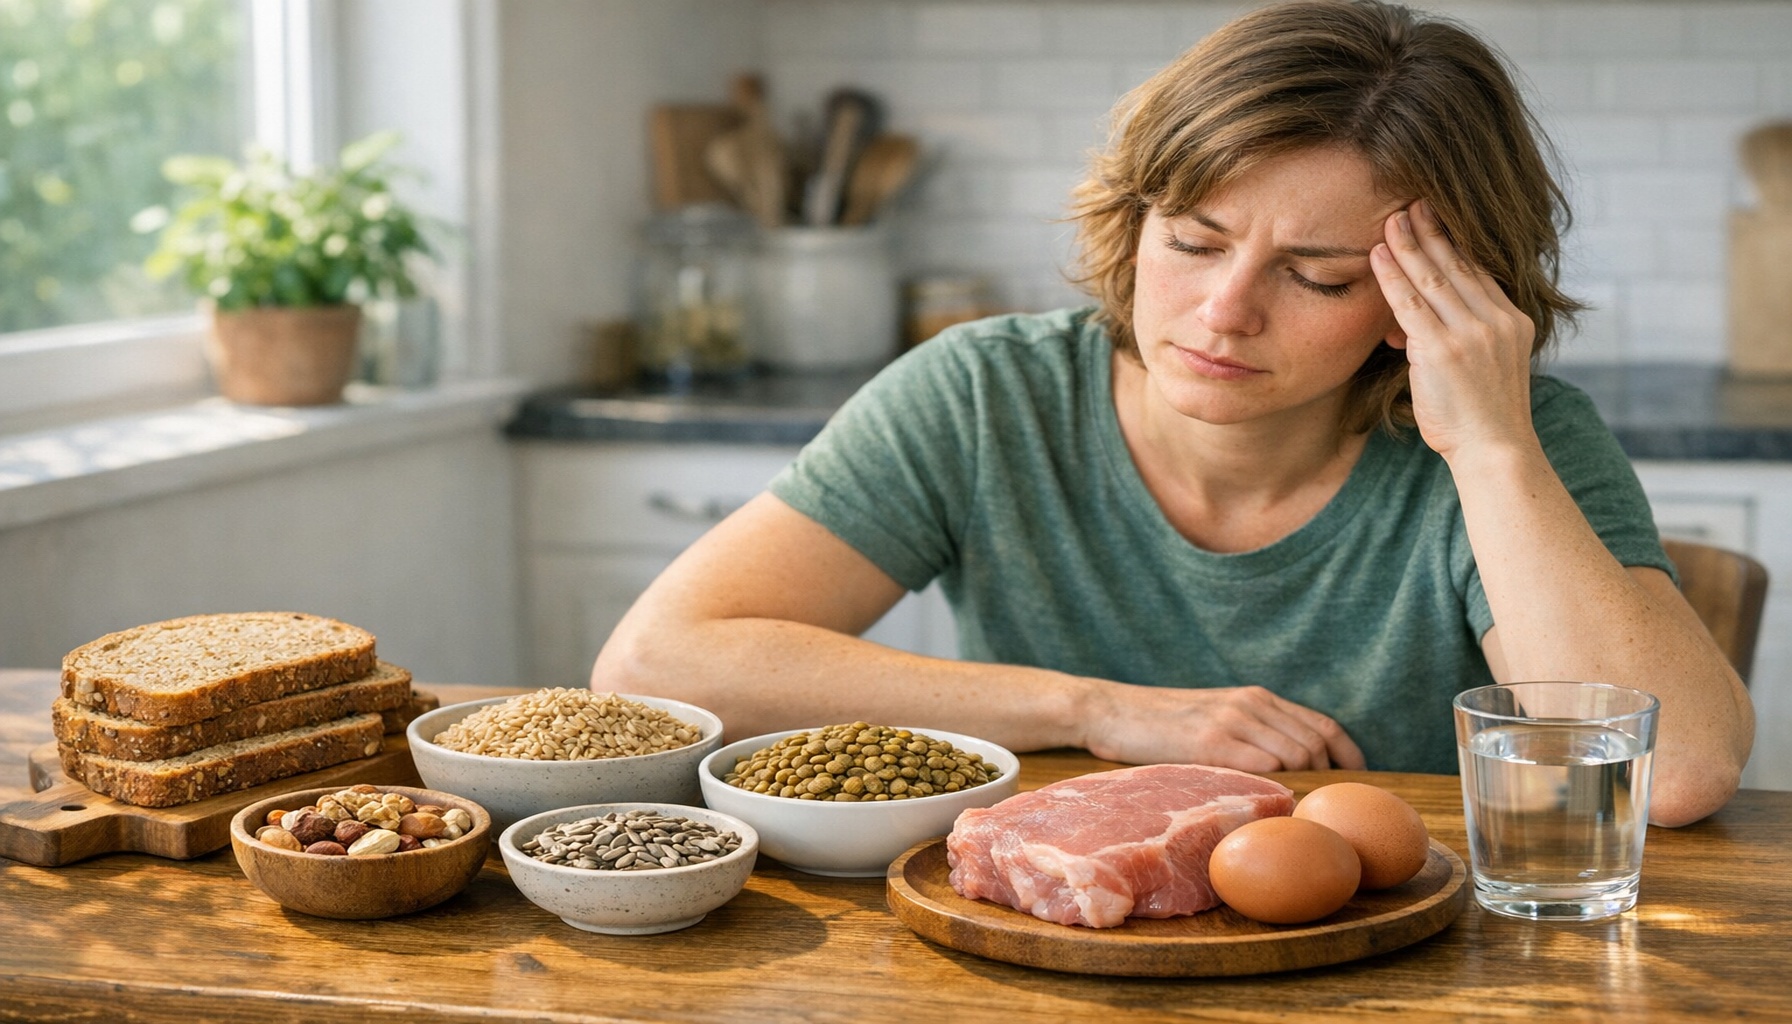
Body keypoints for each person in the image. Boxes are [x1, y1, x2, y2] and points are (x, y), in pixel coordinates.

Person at [594, 0, 1754, 826]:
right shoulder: (987, 392)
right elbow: (658, 664)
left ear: (1423, 302)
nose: (1221, 311)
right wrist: (1101, 709)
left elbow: (1680, 770)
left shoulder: (1511, 437)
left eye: (1318, 276)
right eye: (1192, 241)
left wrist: (1492, 449)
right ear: (1134, 221)